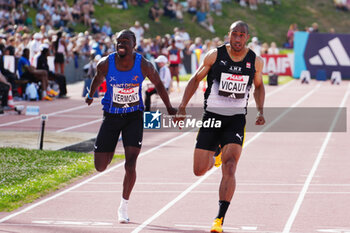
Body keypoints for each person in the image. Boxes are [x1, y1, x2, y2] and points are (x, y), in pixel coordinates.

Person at [176, 20, 265, 233]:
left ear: (247, 37)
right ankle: (216, 153)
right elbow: (195, 79)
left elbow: (259, 86)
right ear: (229, 34)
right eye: (235, 34)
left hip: (235, 119)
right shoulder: (214, 55)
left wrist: (261, 110)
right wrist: (182, 107)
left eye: (242, 35)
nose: (237, 38)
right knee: (199, 170)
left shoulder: (255, 61)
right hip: (212, 117)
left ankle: (219, 220)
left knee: (231, 166)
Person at [85, 30, 177, 224]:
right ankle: (109, 151)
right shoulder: (105, 63)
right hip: (111, 116)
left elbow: (159, 85)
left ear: (134, 45)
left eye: (126, 41)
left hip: (134, 117)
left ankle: (123, 206)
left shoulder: (143, 65)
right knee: (100, 166)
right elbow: (97, 79)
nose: (121, 44)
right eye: (119, 41)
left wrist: (169, 108)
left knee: (131, 163)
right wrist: (90, 94)